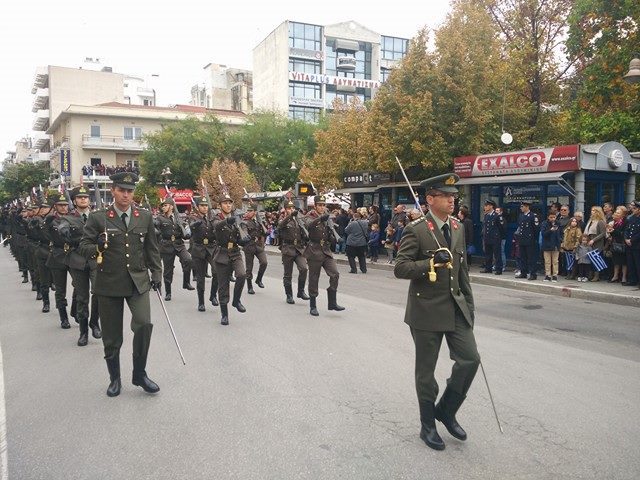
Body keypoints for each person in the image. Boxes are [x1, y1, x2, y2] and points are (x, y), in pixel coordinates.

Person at [394, 173, 479, 451]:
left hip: (455, 307)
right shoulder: (417, 229)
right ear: (430, 199)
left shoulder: (457, 226)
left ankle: (446, 409)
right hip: (426, 309)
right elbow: (401, 267)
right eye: (446, 195)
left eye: (454, 196)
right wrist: (430, 261)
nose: (452, 200)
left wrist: (469, 306)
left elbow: (462, 270)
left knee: (470, 360)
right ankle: (427, 425)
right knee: (426, 373)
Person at [79, 172, 162, 397]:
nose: (126, 195)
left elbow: (151, 248)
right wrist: (97, 245)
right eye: (122, 190)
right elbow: (83, 246)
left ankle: (140, 374)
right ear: (113, 191)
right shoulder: (98, 218)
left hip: (137, 281)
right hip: (108, 283)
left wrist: (157, 272)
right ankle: (114, 378)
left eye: (130, 191)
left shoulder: (143, 216)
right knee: (112, 336)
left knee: (144, 324)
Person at [63, 186, 102, 346]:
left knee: (98, 292)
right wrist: (62, 230)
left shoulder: (97, 216)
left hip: (95, 259)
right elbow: (62, 226)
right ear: (74, 201)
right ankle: (83, 332)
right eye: (80, 197)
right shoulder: (68, 218)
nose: (83, 199)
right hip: (77, 261)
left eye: (86, 197)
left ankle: (94, 322)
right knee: (81, 297)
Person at [303, 195, 345, 316]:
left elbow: (328, 232)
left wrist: (336, 238)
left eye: (323, 205)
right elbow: (309, 226)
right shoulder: (309, 216)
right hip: (314, 250)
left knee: (335, 274)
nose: (322, 207)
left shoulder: (327, 217)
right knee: (314, 278)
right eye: (320, 205)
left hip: (326, 251)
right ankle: (313, 305)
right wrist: (321, 219)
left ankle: (332, 302)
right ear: (315, 206)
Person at [213, 194, 249, 325]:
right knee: (223, 286)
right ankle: (224, 314)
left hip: (235, 252)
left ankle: (236, 300)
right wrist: (226, 221)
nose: (228, 205)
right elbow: (216, 227)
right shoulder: (216, 218)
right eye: (225, 203)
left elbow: (242, 233)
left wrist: (245, 239)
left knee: (242, 275)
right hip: (222, 253)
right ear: (220, 205)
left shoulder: (237, 218)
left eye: (230, 203)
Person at [154, 197, 194, 301]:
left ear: (171, 206)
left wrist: (187, 232)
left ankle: (186, 282)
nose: (163, 207)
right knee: (168, 270)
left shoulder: (178, 218)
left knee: (188, 260)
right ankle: (168, 292)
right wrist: (155, 229)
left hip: (179, 243)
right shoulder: (160, 218)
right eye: (163, 206)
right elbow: (156, 226)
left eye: (165, 205)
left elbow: (185, 231)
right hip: (166, 245)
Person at [188, 197, 219, 311]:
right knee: (200, 278)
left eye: (206, 206)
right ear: (198, 207)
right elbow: (191, 226)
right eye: (202, 206)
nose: (205, 208)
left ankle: (213, 295)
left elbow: (217, 225)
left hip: (211, 248)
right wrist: (197, 222)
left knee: (217, 271)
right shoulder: (193, 217)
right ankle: (201, 302)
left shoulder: (212, 217)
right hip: (199, 248)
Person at [278, 200, 310, 304]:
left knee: (304, 269)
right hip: (288, 248)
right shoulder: (283, 219)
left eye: (292, 208)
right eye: (289, 208)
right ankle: (289, 295)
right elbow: (280, 226)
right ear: (285, 209)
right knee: (288, 274)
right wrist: (290, 216)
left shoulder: (298, 220)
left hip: (299, 248)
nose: (291, 210)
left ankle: (301, 291)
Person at [242, 205, 268, 294]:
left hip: (258, 246)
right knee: (249, 268)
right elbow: (244, 232)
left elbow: (264, 233)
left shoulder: (259, 222)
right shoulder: (244, 222)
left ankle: (259, 279)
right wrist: (246, 235)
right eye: (247, 211)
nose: (248, 213)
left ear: (255, 212)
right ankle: (250, 286)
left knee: (264, 262)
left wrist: (263, 244)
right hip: (249, 246)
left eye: (250, 211)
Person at [515, 201, 540, 280]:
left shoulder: (533, 216)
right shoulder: (521, 216)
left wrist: (534, 239)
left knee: (531, 258)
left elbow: (536, 229)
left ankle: (533, 273)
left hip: (530, 240)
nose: (521, 208)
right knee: (523, 257)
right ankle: (523, 272)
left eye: (522, 206)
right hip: (522, 239)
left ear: (527, 207)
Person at [481, 200, 504, 275]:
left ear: (491, 206)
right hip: (487, 237)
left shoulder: (497, 215)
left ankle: (498, 269)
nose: (485, 207)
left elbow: (501, 228)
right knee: (488, 254)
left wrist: (498, 236)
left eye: (486, 205)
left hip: (495, 238)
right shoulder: (486, 215)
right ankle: (488, 268)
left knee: (497, 254)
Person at [585, 206, 607, 281]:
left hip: (597, 242)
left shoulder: (600, 221)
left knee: (596, 259)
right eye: (592, 210)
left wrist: (594, 240)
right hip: (589, 240)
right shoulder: (590, 220)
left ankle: (597, 275)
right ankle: (590, 274)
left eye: (594, 210)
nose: (592, 212)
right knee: (590, 259)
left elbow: (603, 233)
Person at [540, 211, 561, 281]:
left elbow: (560, 233)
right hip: (547, 245)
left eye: (554, 217)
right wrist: (550, 230)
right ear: (548, 217)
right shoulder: (544, 223)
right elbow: (543, 234)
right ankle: (548, 275)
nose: (552, 219)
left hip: (555, 244)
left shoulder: (558, 223)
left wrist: (560, 241)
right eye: (551, 217)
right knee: (547, 261)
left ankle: (555, 275)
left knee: (555, 261)